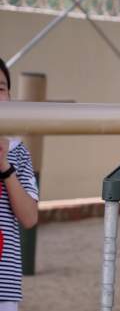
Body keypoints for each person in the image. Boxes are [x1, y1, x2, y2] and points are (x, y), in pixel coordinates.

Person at [0, 58, 40, 311]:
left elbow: (29, 218)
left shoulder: (18, 151)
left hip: (4, 284)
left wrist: (5, 167)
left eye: (0, 88)